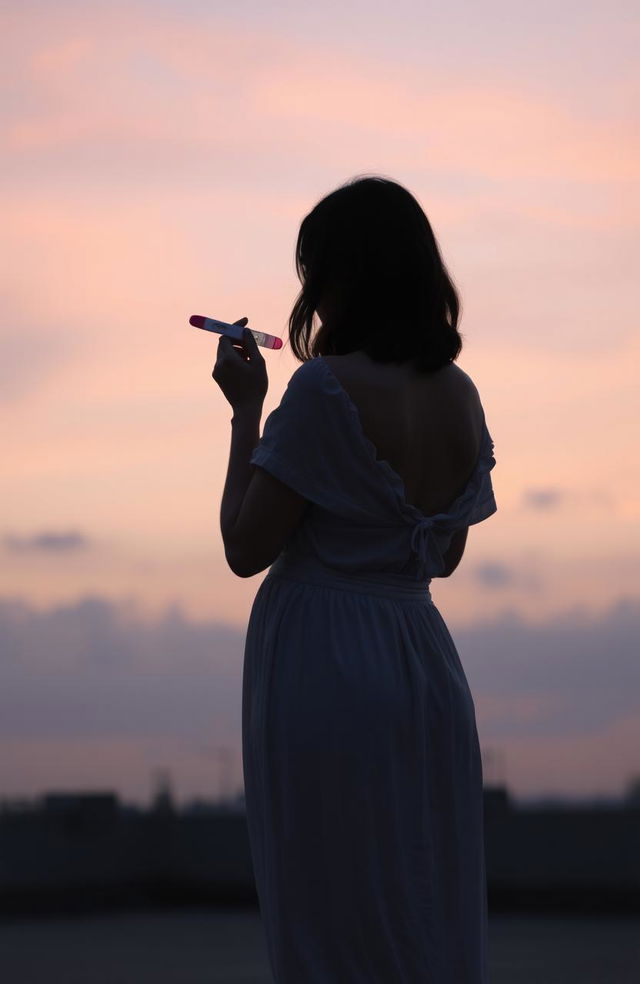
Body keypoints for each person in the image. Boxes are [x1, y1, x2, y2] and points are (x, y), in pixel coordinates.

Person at [215, 175, 497, 983]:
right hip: (423, 667)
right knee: (421, 900)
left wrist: (245, 413)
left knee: (332, 914)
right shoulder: (460, 396)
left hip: (326, 670)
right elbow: (438, 557)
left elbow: (244, 546)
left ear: (343, 276)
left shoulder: (323, 390)